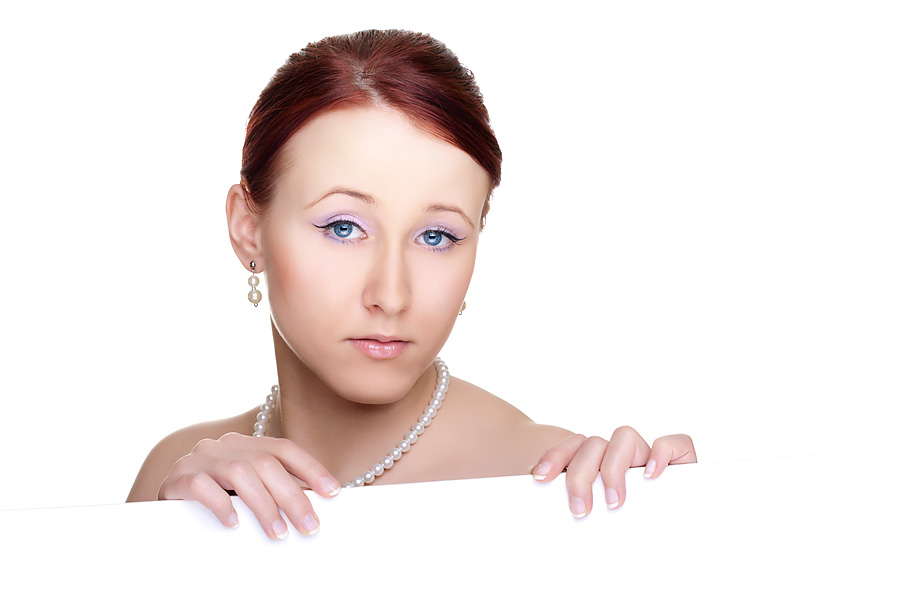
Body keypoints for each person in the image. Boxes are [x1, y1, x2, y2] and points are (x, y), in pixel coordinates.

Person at [127, 29, 696, 539]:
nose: (392, 296)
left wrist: (684, 525)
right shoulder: (180, 478)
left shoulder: (554, 482)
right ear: (247, 229)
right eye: (343, 227)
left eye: (436, 236)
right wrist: (167, 550)